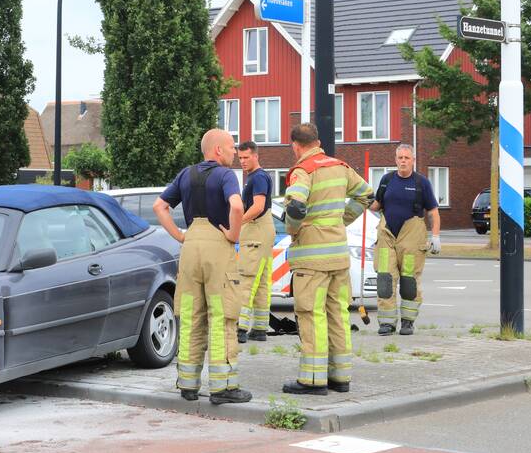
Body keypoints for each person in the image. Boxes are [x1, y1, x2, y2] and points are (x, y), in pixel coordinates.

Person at [153, 129, 251, 405]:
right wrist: (233, 234)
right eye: (231, 147)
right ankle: (223, 388)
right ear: (218, 150)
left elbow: (159, 206)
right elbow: (235, 205)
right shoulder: (225, 175)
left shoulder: (186, 174)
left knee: (191, 317)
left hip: (191, 246)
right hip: (217, 246)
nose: (234, 152)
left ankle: (188, 384)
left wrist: (181, 235)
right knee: (222, 316)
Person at [281, 123, 373, 396]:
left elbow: (296, 206)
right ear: (318, 141)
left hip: (312, 259)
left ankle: (312, 379)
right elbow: (367, 195)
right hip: (337, 255)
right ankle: (340, 377)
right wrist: (341, 220)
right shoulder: (340, 167)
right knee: (337, 314)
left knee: (311, 314)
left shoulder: (303, 171)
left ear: (295, 146)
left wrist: (294, 230)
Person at [369, 144, 440, 337]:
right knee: (385, 280)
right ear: (395, 159)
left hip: (412, 236)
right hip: (386, 236)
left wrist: (435, 235)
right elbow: (376, 205)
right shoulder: (386, 180)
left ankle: (408, 322)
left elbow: (433, 211)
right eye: (400, 157)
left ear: (413, 160)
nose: (403, 161)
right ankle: (386, 323)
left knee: (409, 281)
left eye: (406, 158)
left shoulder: (421, 183)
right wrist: (364, 199)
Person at [236, 141, 276, 344]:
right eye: (240, 158)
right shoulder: (257, 176)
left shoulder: (258, 177)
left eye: (246, 157)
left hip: (256, 229)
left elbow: (258, 206)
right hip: (263, 230)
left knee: (246, 278)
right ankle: (260, 328)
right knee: (261, 282)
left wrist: (237, 222)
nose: (242, 161)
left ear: (256, 156)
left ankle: (240, 328)